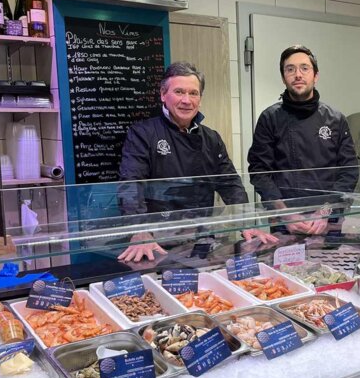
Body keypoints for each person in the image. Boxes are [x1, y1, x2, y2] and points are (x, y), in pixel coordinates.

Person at [118, 61, 276, 262]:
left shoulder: (211, 138)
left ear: (200, 99)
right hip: (157, 241)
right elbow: (131, 183)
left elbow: (230, 184)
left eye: (193, 93)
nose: (186, 100)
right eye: (179, 92)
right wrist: (139, 231)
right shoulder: (143, 133)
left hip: (202, 238)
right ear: (163, 95)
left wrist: (246, 221)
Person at [247, 45, 359, 235]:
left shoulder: (335, 119)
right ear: (283, 78)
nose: (298, 75)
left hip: (328, 220)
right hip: (285, 222)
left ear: (316, 76)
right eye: (290, 69)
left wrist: (325, 211)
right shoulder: (269, 118)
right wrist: (285, 214)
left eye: (304, 68)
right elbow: (259, 172)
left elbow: (349, 171)